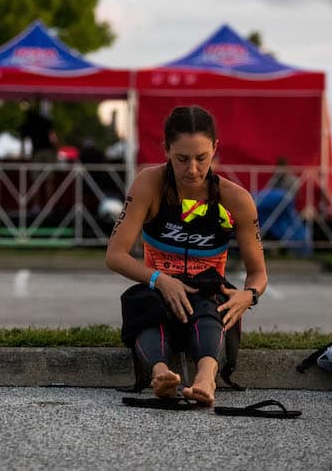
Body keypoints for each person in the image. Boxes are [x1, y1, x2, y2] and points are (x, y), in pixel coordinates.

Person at [105, 106, 267, 406]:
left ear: (215, 149)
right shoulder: (148, 184)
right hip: (160, 294)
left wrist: (249, 295)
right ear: (165, 148)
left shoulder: (237, 199)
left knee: (211, 307)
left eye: (202, 158)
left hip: (206, 294)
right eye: (182, 159)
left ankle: (206, 380)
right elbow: (115, 255)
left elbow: (258, 272)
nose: (192, 169)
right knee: (144, 304)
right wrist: (160, 280)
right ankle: (161, 375)